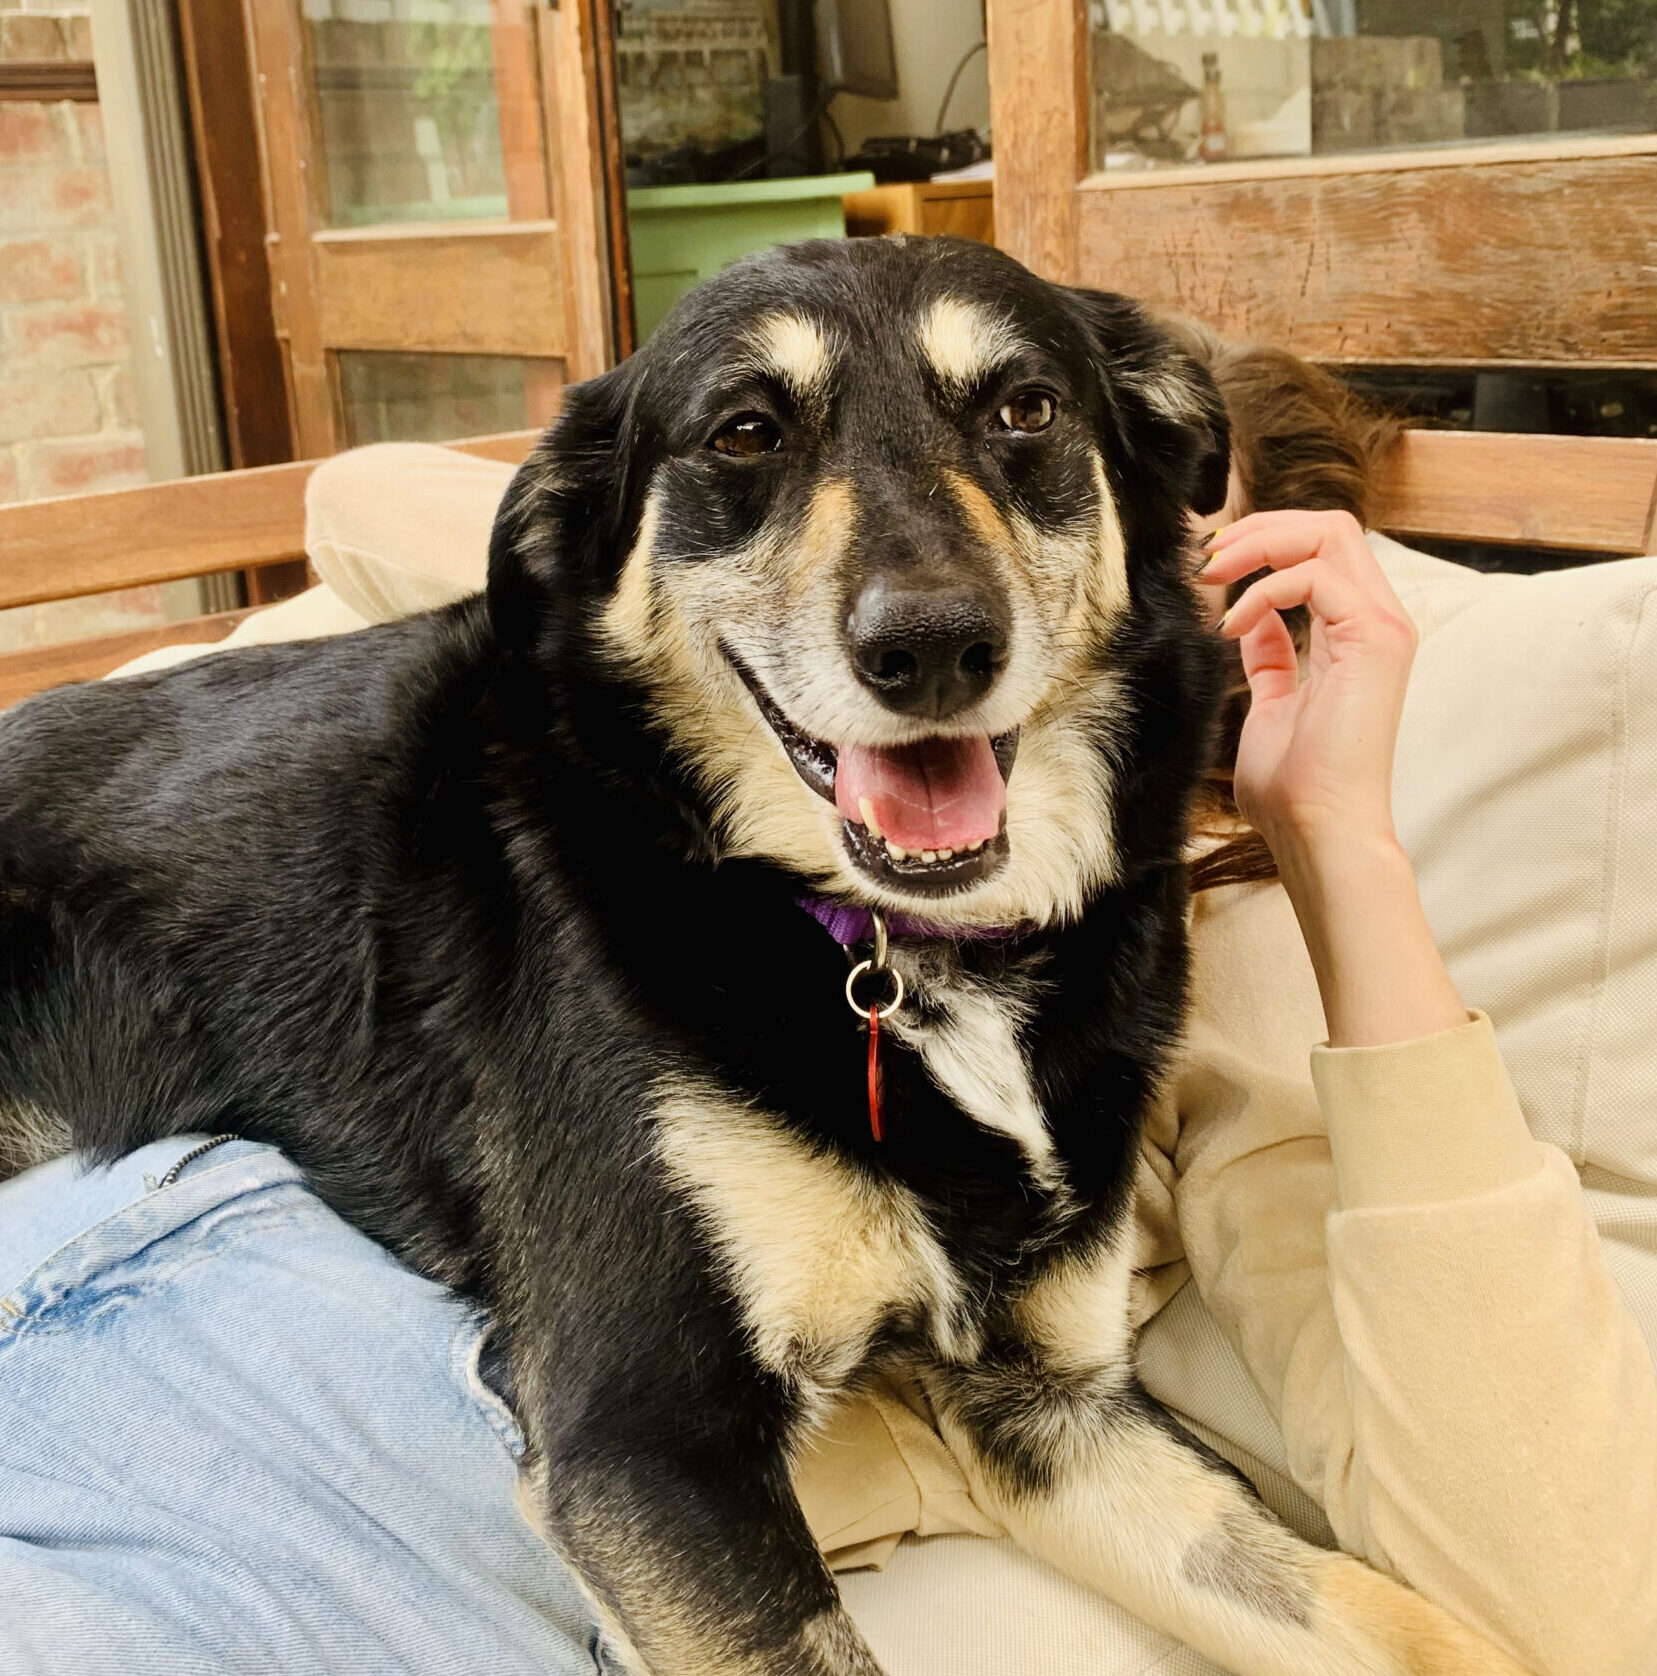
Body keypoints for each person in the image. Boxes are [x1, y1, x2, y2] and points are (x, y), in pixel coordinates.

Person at [2, 345, 1652, 1676]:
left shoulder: (1230, 995)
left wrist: (1339, 839)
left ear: (1178, 563)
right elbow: (376, 497)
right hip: (108, 1123)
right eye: (776, 430)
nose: (925, 564)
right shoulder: (616, 759)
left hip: (227, 1363)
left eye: (1017, 421)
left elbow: (1561, 1591)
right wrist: (653, 516)